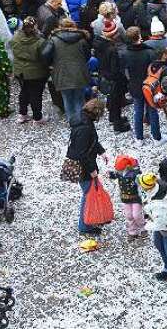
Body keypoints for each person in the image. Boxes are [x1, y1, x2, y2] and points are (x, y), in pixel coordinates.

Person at [67, 98, 107, 236]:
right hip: (83, 167)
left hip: (79, 163)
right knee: (88, 195)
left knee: (90, 193)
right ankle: (84, 226)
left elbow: (91, 141)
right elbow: (83, 154)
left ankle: (90, 220)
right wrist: (92, 171)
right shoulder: (85, 127)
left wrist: (101, 151)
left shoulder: (83, 120)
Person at [42, 17, 91, 125]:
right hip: (79, 72)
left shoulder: (53, 40)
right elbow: (88, 56)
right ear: (73, 26)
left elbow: (44, 55)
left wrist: (52, 64)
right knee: (79, 98)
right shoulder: (81, 39)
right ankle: (81, 120)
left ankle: (71, 121)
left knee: (67, 99)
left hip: (61, 73)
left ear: (60, 27)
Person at [11, 16, 49, 123]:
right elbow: (43, 57)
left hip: (20, 71)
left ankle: (22, 114)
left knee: (24, 92)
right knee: (36, 95)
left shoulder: (15, 38)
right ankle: (38, 117)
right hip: (36, 72)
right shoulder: (40, 42)